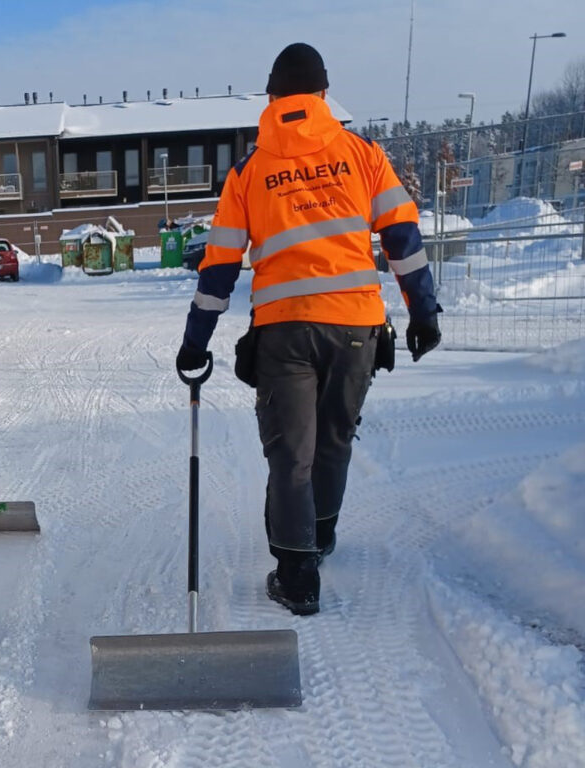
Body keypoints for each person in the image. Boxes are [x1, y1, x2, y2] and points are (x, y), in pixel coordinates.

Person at [176, 43, 441, 616]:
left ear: (271, 98)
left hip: (285, 331)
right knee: (335, 439)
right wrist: (423, 310)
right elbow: (402, 236)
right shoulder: (363, 154)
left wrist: (195, 340)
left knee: (291, 451)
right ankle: (318, 536)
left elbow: (219, 264)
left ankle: (297, 575)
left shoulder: (250, 171)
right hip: (356, 329)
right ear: (323, 94)